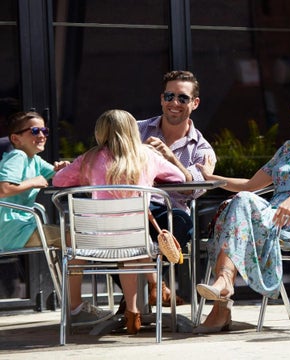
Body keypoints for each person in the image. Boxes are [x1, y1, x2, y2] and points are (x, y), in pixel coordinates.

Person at [192, 90, 290, 334]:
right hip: (269, 215)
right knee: (235, 204)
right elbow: (250, 185)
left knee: (239, 205)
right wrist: (211, 178)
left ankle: (222, 302)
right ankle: (225, 284)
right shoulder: (287, 149)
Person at [53, 109, 186, 334]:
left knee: (71, 245)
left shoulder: (90, 158)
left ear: (100, 132)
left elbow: (58, 181)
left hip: (97, 242)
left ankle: (75, 307)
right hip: (136, 238)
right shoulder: (147, 155)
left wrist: (70, 170)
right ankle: (140, 304)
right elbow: (179, 178)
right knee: (132, 250)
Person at [0, 111, 113, 326]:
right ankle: (75, 307)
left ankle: (74, 305)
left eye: (45, 130)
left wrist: (62, 168)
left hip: (22, 226)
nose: (42, 135)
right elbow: (3, 189)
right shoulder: (18, 156)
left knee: (74, 239)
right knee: (76, 240)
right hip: (12, 228)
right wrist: (33, 182)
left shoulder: (32, 159)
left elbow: (57, 174)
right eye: (34, 131)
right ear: (16, 139)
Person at [135, 70, 216, 307]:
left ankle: (143, 295)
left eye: (183, 98)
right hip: (132, 208)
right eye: (170, 96)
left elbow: (195, 190)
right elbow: (106, 158)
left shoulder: (203, 149)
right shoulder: (136, 130)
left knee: (181, 220)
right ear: (161, 99)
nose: (174, 103)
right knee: (105, 225)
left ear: (195, 103)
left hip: (168, 216)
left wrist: (171, 159)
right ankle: (153, 287)